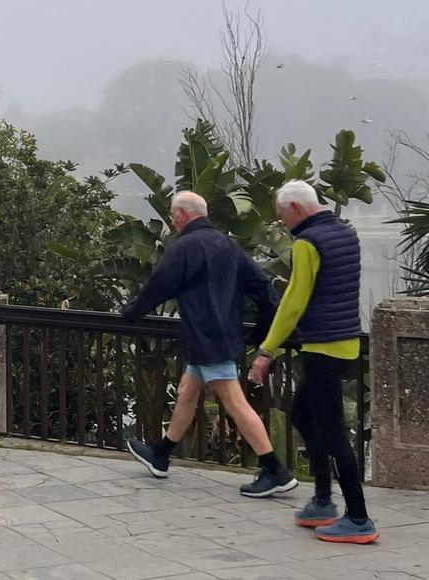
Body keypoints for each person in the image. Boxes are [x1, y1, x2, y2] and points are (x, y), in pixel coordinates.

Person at [122, 191, 297, 497]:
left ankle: (275, 471)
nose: (173, 220)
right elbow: (262, 285)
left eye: (173, 214)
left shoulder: (185, 248)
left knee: (234, 402)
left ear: (181, 215)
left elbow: (158, 286)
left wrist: (131, 313)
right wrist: (262, 328)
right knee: (187, 392)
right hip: (223, 335)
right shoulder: (227, 244)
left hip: (206, 337)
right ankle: (160, 455)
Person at [249, 180, 379, 544]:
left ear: (295, 208)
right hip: (347, 344)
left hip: (323, 348)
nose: (283, 225)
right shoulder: (345, 233)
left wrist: (266, 351)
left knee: (335, 435)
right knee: (303, 415)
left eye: (282, 217)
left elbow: (294, 301)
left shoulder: (307, 243)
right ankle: (323, 500)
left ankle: (358, 518)